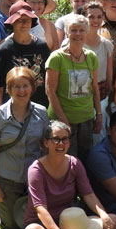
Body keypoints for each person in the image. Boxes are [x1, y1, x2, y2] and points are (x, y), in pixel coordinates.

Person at [22, 121, 116, 229]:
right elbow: (41, 209)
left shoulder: (75, 163)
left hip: (72, 224)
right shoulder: (36, 170)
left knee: (113, 220)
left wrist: (103, 215)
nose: (61, 143)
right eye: (56, 139)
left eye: (65, 139)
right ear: (46, 142)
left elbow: (89, 195)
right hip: (43, 224)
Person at [0, 67, 50, 229]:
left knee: (32, 221)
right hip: (7, 179)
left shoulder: (41, 113)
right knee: (11, 225)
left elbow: (46, 148)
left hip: (32, 179)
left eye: (25, 86)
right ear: (9, 89)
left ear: (32, 88)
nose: (21, 91)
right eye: (16, 87)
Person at [44, 14, 101, 161]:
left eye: (81, 30)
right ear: (67, 32)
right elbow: (50, 91)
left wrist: (99, 115)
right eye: (73, 30)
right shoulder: (56, 58)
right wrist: (63, 121)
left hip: (86, 118)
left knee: (85, 159)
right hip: (63, 119)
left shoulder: (91, 57)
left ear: (87, 32)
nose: (77, 34)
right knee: (66, 160)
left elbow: (94, 88)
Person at [0, 0, 51, 107]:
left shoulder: (42, 46)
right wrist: (0, 112)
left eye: (27, 20)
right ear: (12, 22)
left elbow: (50, 79)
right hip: (13, 108)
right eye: (19, 20)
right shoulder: (4, 50)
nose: (24, 23)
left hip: (40, 106)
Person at [81, 2, 114, 98]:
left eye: (99, 17)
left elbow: (109, 76)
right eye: (91, 17)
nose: (96, 20)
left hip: (101, 93)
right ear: (84, 18)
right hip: (79, 91)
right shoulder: (73, 43)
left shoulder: (107, 45)